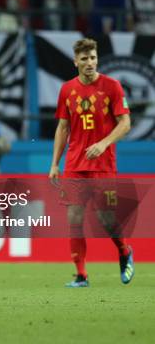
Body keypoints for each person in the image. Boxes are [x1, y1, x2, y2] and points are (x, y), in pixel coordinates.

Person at [49, 38, 133, 288]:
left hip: (103, 165)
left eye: (93, 58)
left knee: (106, 219)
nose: (89, 63)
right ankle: (81, 275)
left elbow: (125, 123)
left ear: (97, 59)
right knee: (74, 218)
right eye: (84, 59)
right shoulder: (66, 90)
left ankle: (124, 250)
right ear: (76, 61)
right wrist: (55, 163)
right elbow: (63, 128)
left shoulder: (112, 86)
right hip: (75, 165)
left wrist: (104, 143)